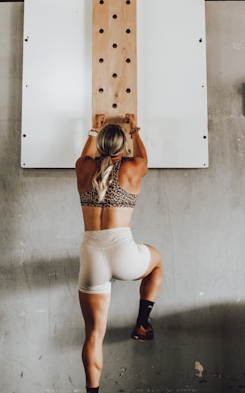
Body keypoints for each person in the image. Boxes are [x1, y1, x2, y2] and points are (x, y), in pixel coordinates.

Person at [75, 113, 163, 393]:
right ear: (124, 144)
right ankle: (141, 324)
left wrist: (93, 129)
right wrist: (134, 129)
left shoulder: (83, 167)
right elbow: (143, 158)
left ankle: (92, 391)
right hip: (123, 251)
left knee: (93, 335)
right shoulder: (133, 167)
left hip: (91, 254)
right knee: (157, 262)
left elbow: (85, 155)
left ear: (98, 143)